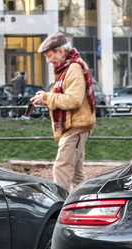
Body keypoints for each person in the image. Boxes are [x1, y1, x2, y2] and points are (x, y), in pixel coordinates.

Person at [30, 32, 96, 192]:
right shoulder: (68, 67)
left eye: (49, 55)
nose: (48, 60)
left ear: (61, 51)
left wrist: (46, 98)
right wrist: (46, 97)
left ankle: (59, 209)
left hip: (75, 127)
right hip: (76, 126)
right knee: (77, 175)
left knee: (61, 170)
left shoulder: (73, 68)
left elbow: (74, 100)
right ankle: (84, 207)